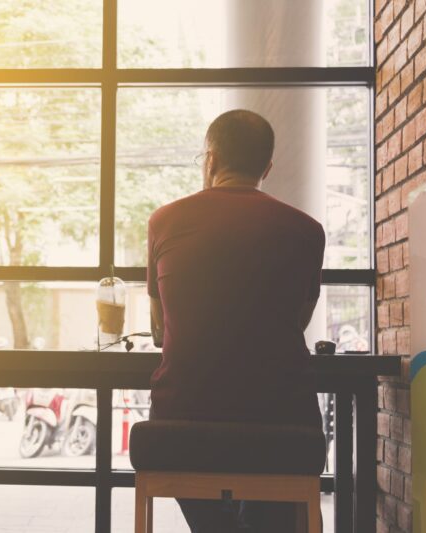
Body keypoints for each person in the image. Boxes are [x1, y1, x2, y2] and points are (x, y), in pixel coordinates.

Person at [147, 109, 325, 532]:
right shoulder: (308, 230)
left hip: (182, 426)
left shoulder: (165, 220)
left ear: (209, 160)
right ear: (267, 167)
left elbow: (159, 329)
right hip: (284, 425)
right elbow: (298, 322)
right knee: (273, 499)